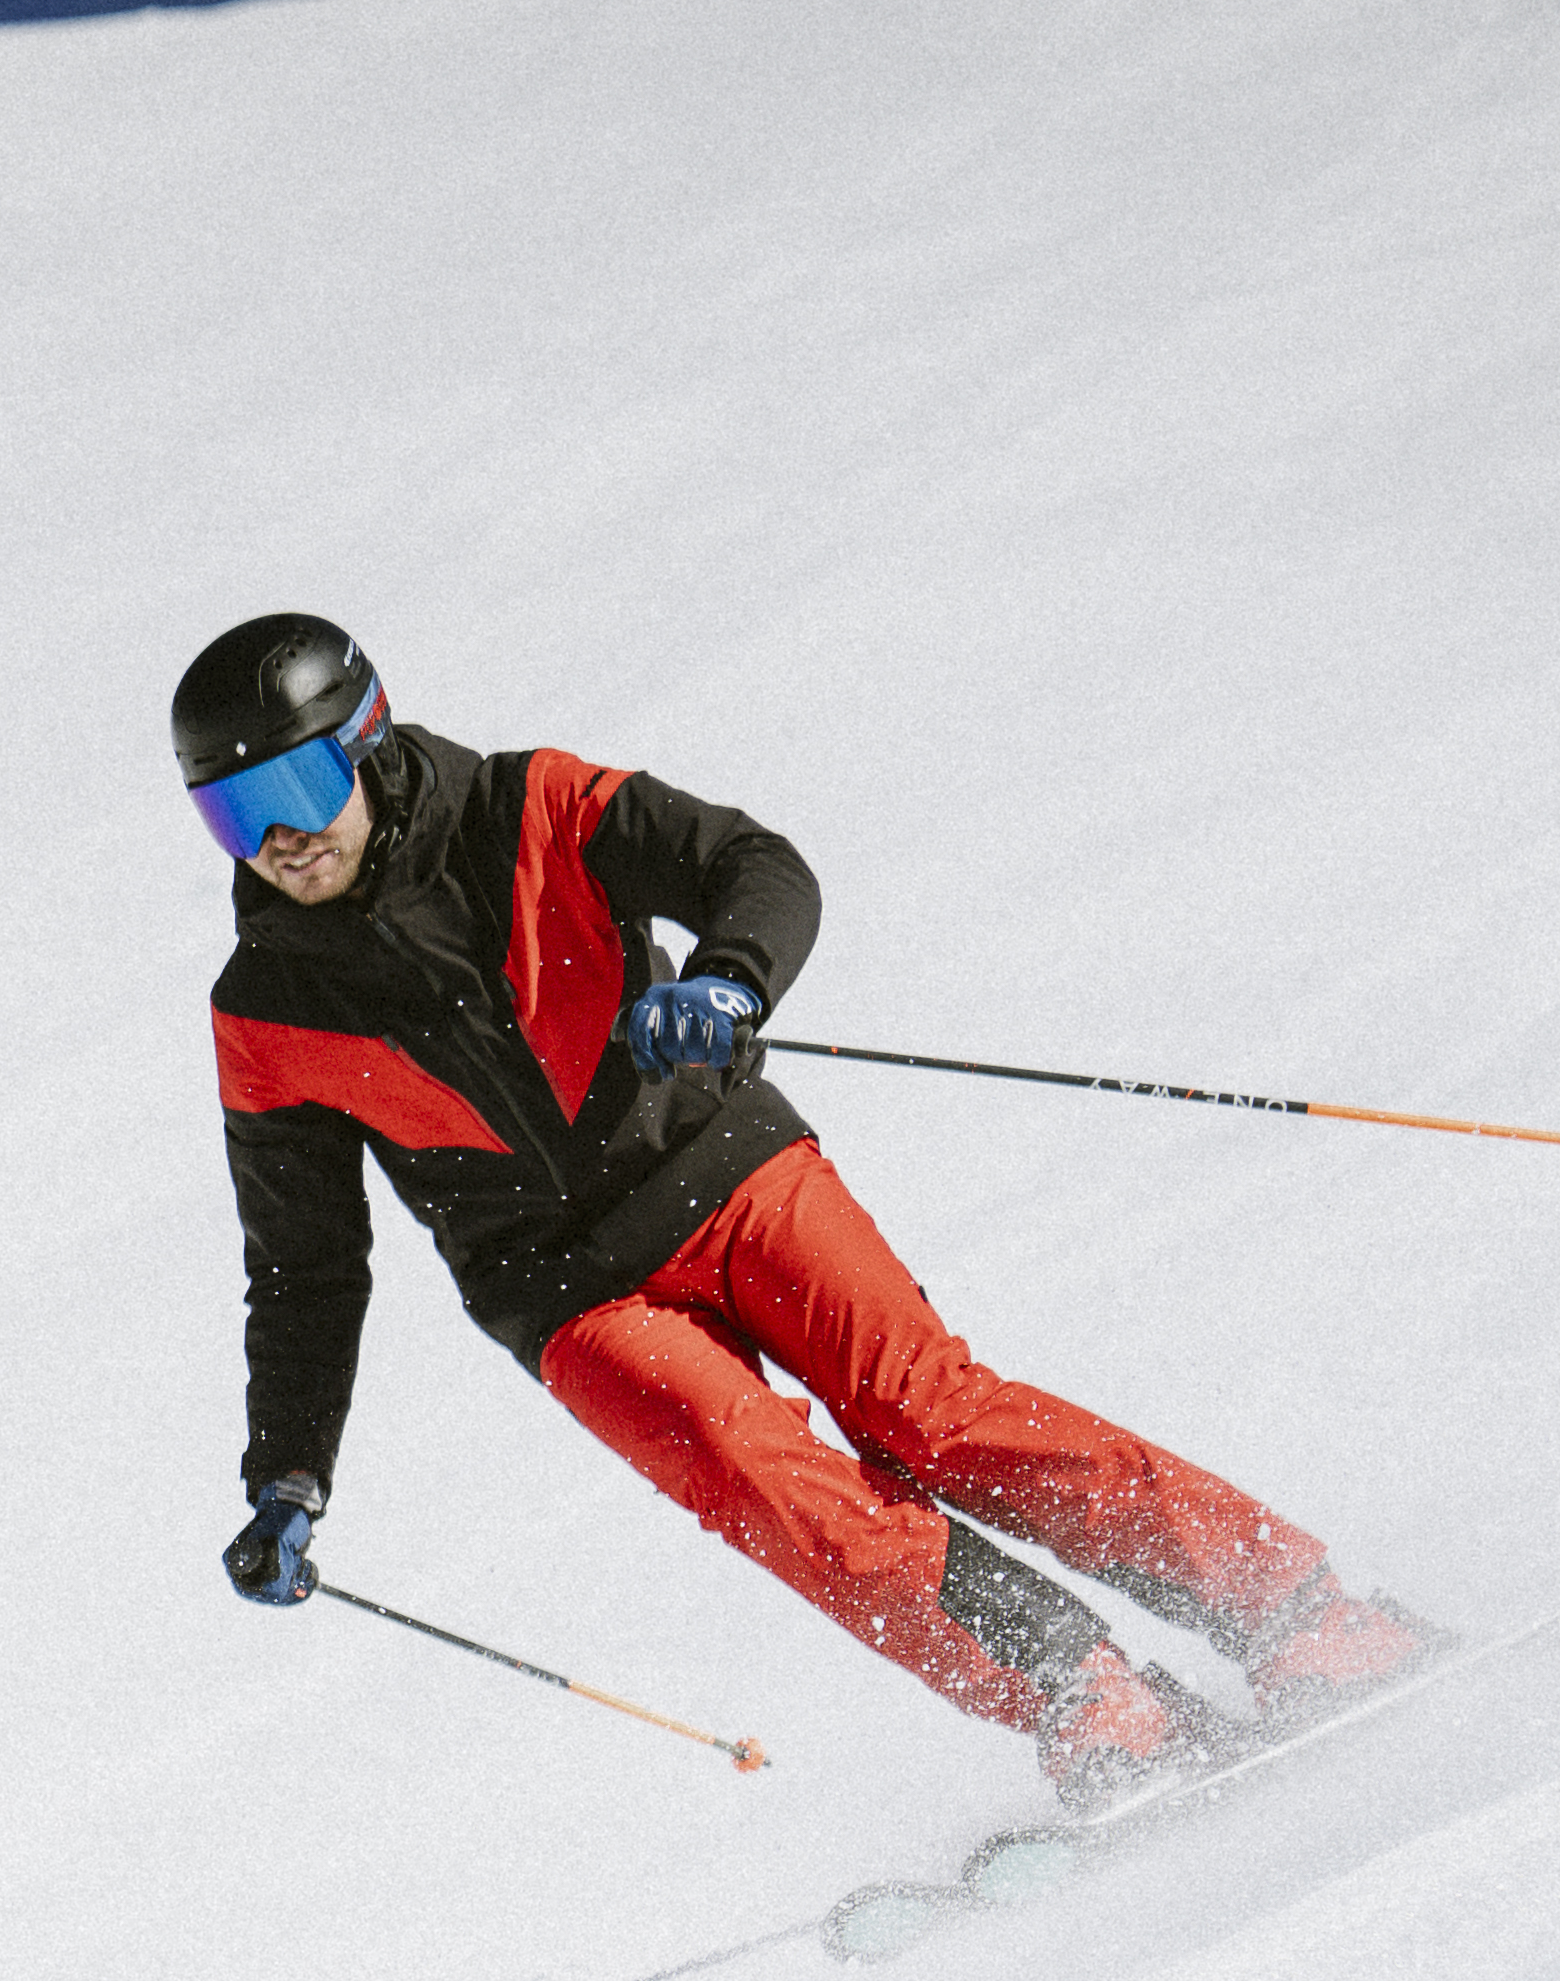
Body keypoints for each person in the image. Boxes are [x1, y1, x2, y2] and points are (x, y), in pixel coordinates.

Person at [173, 611, 1436, 1805]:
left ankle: (1299, 1615)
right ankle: (1095, 1701)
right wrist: (287, 1473)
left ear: (368, 743)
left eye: (289, 792)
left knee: (929, 1415)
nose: (276, 842)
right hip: (567, 1294)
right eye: (234, 817)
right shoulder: (263, 1011)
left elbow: (752, 865)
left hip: (728, 1175)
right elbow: (303, 1267)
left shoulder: (533, 805)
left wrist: (727, 982)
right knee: (778, 1494)